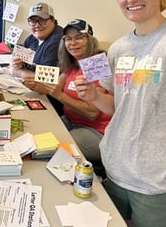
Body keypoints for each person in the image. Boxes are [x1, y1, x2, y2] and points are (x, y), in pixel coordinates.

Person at [75, 0, 166, 227]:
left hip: (157, 181)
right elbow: (117, 106)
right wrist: (95, 97)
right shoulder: (119, 48)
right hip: (116, 168)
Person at [27, 19, 111, 167]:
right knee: (37, 136)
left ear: (90, 39)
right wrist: (33, 83)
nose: (73, 43)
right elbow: (52, 88)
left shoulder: (97, 64)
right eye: (68, 39)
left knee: (50, 152)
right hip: (72, 122)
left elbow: (93, 113)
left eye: (79, 37)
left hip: (97, 131)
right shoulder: (72, 65)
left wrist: (60, 95)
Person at [9, 2, 64, 115]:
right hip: (32, 91)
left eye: (42, 20)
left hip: (51, 102)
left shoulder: (57, 40)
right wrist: (17, 66)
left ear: (53, 20)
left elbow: (46, 82)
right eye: (33, 21)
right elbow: (13, 62)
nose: (37, 25)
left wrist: (19, 72)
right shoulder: (33, 37)